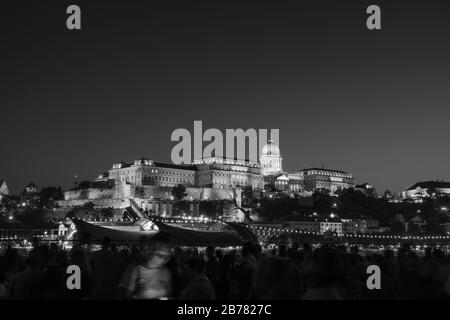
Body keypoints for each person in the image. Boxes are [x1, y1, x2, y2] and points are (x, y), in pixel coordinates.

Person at [117, 232, 172, 299]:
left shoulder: (166, 272)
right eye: (160, 255)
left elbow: (167, 294)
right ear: (150, 252)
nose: (163, 260)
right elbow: (122, 293)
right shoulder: (135, 269)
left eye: (167, 257)